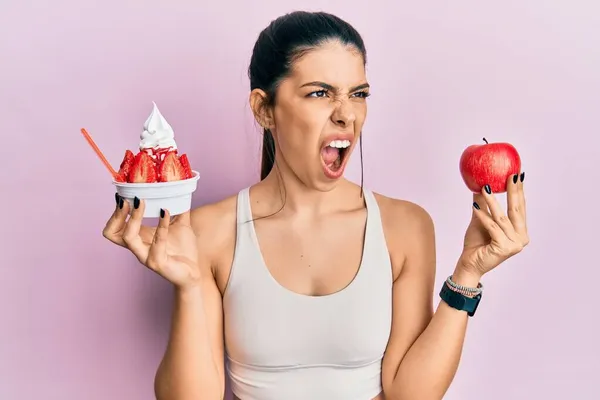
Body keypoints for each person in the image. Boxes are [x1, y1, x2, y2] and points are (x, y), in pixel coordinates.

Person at [102, 11, 529, 400]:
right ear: (264, 109)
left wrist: (468, 274)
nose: (347, 114)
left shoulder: (406, 226)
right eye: (320, 93)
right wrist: (191, 285)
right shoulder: (208, 232)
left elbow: (410, 395)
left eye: (358, 93)